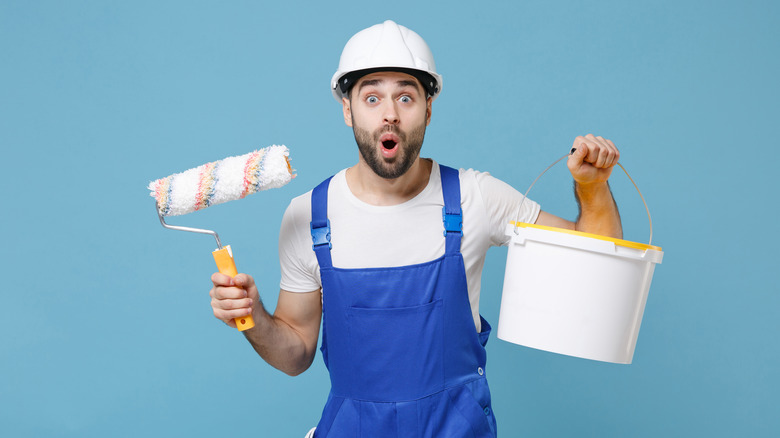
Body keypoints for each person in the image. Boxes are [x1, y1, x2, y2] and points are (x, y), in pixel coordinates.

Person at [210, 20, 622, 437]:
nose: (390, 113)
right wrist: (253, 318)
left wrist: (593, 188)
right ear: (347, 109)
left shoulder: (476, 198)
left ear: (427, 108)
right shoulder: (309, 218)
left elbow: (599, 259)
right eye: (372, 97)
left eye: (405, 96)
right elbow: (296, 353)